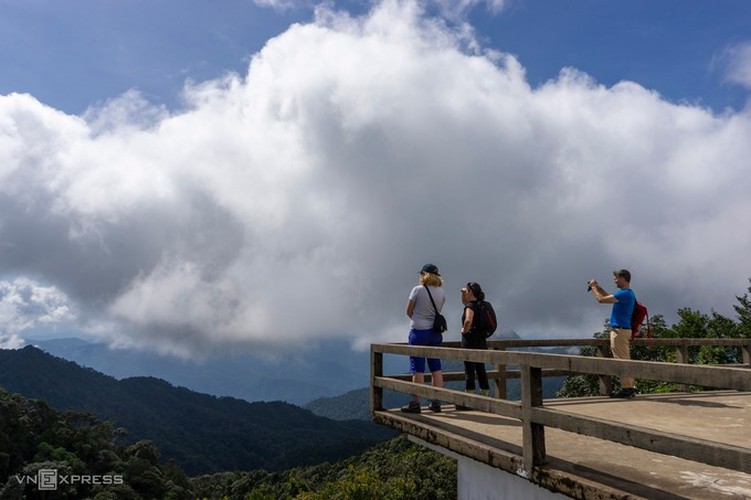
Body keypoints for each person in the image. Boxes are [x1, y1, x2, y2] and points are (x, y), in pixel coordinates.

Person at [401, 263, 445, 414]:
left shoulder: (417, 290)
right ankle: (436, 402)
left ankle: (416, 403)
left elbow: (408, 311)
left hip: (419, 332)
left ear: (423, 275)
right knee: (436, 368)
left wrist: (418, 319)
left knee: (418, 369)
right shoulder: (441, 292)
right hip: (435, 333)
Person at [588, 269, 637, 398]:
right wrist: (598, 287)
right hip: (624, 330)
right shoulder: (627, 294)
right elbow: (608, 296)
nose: (614, 280)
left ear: (623, 278)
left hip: (619, 331)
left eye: (616, 278)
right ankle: (629, 388)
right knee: (624, 359)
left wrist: (593, 287)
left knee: (622, 360)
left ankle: (627, 389)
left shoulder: (625, 294)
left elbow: (601, 299)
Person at [459, 282, 490, 406]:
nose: (465, 292)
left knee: (469, 371)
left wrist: (464, 329)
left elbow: (468, 320)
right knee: (481, 368)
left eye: (466, 291)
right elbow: (465, 302)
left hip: (470, 342)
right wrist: (462, 293)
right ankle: (485, 395)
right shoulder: (480, 304)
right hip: (481, 341)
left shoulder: (470, 306)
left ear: (471, 292)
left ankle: (469, 398)